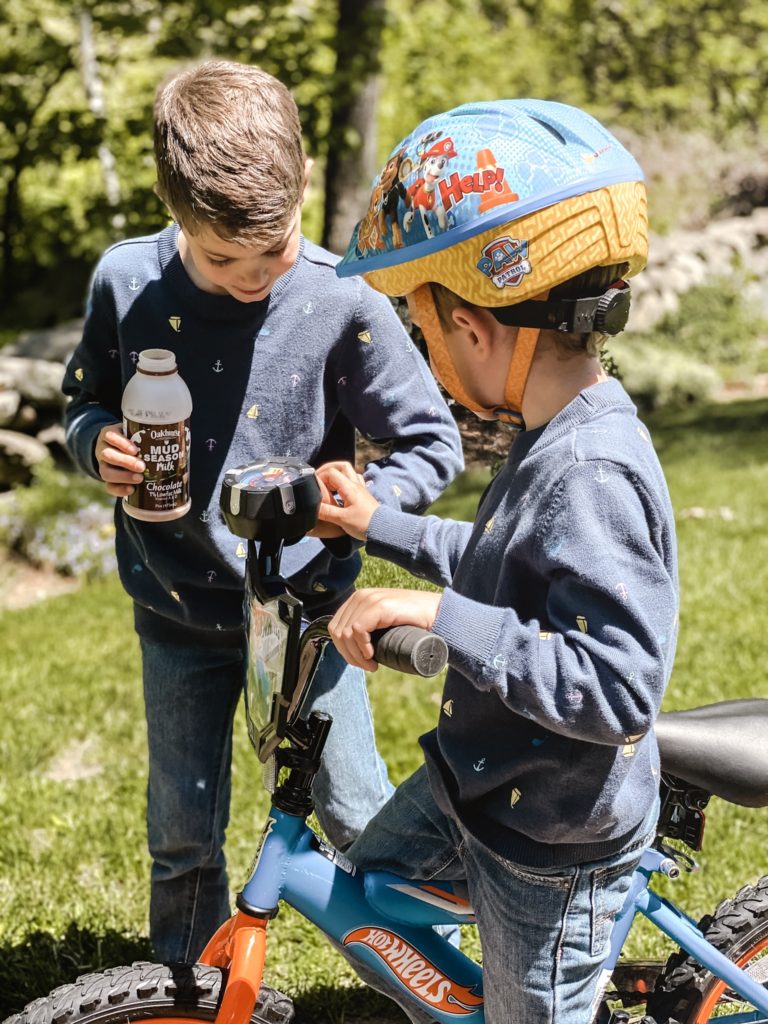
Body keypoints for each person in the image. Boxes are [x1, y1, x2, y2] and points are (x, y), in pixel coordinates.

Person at [61, 59, 463, 965]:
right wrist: (99, 446)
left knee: (363, 821)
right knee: (183, 833)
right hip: (179, 616)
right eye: (219, 257)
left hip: (311, 618)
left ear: (306, 192)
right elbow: (82, 403)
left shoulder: (341, 298)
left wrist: (367, 504)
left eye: (272, 249)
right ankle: (184, 992)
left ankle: (437, 981)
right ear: (173, 206)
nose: (251, 276)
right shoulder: (127, 284)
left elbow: (429, 443)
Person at [315, 99, 679, 1023]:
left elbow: (615, 687)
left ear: (476, 327)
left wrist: (437, 618)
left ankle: (559, 978)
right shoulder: (549, 432)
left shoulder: (591, 469)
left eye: (427, 336)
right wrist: (374, 524)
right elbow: (499, 558)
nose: (432, 365)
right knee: (366, 892)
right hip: (478, 784)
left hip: (551, 842)